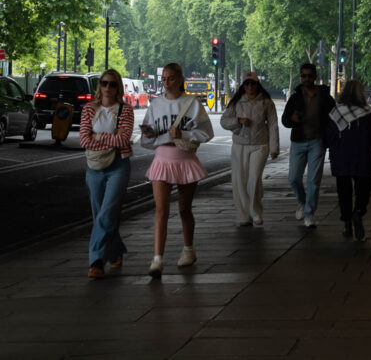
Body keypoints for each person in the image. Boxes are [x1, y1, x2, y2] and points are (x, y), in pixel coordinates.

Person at [140, 63, 214, 278]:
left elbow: (207, 132)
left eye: (170, 78)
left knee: (184, 209)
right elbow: (146, 139)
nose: (166, 83)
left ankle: (188, 250)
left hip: (185, 159)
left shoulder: (192, 103)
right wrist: (149, 134)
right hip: (162, 158)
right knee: (161, 210)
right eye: (163, 79)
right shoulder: (156, 104)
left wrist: (184, 134)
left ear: (180, 78)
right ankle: (157, 259)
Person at [79, 69, 134, 279]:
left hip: (118, 165)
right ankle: (114, 250)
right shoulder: (89, 109)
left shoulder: (125, 110)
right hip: (94, 166)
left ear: (118, 87)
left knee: (107, 212)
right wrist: (110, 136)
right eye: (104, 83)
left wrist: (97, 136)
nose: (108, 87)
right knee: (99, 214)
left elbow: (123, 139)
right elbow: (84, 140)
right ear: (99, 86)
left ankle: (96, 261)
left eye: (112, 84)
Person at [221, 72, 279, 226]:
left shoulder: (266, 102)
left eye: (253, 83)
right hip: (239, 145)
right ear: (243, 86)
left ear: (257, 84)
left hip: (260, 145)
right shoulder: (236, 102)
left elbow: (273, 125)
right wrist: (238, 121)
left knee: (254, 178)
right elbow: (224, 121)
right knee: (239, 181)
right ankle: (243, 215)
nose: (250, 86)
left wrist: (274, 148)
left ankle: (256, 212)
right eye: (247, 83)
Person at [281, 63, 335, 228]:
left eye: (309, 76)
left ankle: (309, 214)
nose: (306, 79)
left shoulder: (325, 98)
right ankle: (302, 202)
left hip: (317, 142)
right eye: (303, 76)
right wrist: (292, 120)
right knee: (293, 178)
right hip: (298, 142)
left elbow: (335, 119)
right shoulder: (295, 97)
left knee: (313, 180)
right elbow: (285, 120)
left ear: (315, 77)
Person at [326, 80, 371, 241]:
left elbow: (329, 136)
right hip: (362, 155)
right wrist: (367, 148)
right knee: (364, 188)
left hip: (341, 156)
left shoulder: (335, 112)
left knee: (344, 191)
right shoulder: (368, 112)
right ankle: (358, 211)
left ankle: (347, 223)